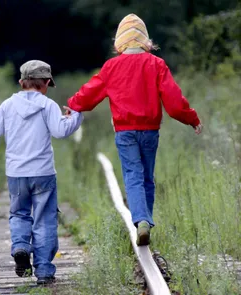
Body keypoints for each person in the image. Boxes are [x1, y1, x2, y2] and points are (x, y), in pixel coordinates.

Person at [66, 14, 203, 246]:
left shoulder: (111, 67)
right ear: (145, 41)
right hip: (150, 131)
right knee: (147, 178)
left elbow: (90, 94)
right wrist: (191, 119)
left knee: (133, 176)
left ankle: (140, 220)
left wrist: (72, 105)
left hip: (125, 132)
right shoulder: (156, 64)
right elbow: (174, 101)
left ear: (119, 42)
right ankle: (145, 222)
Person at [0, 60, 83, 284]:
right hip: (43, 172)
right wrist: (76, 115)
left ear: (21, 82)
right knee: (44, 220)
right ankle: (44, 272)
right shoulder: (48, 105)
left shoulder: (7, 106)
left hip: (16, 173)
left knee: (19, 214)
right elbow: (61, 131)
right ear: (45, 83)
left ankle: (21, 246)